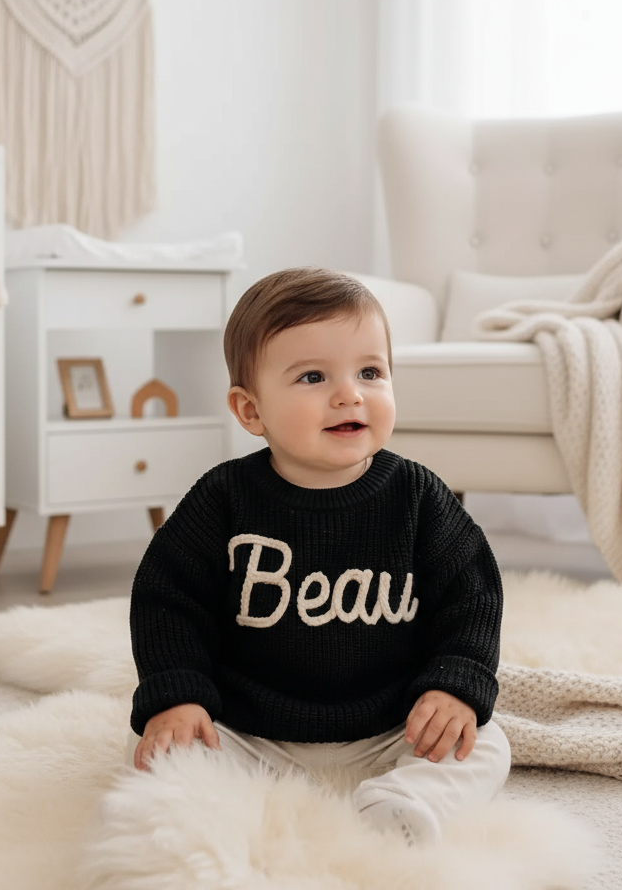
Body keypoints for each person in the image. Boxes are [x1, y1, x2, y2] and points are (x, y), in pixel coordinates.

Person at [127, 267, 509, 846]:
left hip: (391, 723)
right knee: (163, 754)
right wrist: (177, 697)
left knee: (486, 742)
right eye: (312, 376)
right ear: (251, 411)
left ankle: (402, 806)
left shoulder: (418, 496)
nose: (349, 393)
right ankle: (197, 828)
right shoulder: (222, 499)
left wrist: (455, 684)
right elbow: (166, 601)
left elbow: (472, 594)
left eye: (370, 372)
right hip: (251, 727)